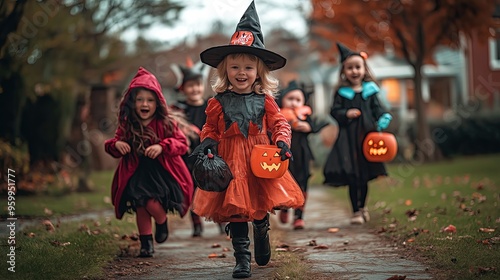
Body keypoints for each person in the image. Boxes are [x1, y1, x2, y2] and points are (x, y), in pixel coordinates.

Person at [192, 1, 304, 278]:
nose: (241, 73)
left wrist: (282, 142)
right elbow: (210, 128)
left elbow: (280, 123)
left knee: (258, 207)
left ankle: (262, 230)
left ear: (259, 72)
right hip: (231, 164)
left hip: (259, 160)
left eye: (248, 68)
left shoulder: (264, 100)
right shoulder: (217, 102)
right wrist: (207, 141)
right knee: (236, 211)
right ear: (225, 71)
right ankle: (242, 260)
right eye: (235, 67)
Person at [104, 67, 194, 257]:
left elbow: (181, 145)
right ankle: (146, 244)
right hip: (136, 173)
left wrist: (162, 146)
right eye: (140, 100)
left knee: (151, 203)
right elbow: (113, 144)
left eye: (150, 100)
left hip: (161, 173)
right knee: (140, 205)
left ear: (158, 103)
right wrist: (117, 144)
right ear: (132, 102)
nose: (145, 104)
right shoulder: (128, 124)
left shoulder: (165, 123)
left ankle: (161, 222)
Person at [323, 42, 392, 225]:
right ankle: (355, 211)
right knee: (353, 176)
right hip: (349, 140)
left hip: (367, 139)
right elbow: (334, 111)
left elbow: (378, 109)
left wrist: (383, 117)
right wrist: (346, 113)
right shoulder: (341, 93)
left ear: (364, 69)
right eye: (350, 68)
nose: (354, 71)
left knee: (365, 176)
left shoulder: (370, 91)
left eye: (358, 67)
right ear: (344, 71)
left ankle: (362, 207)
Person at [170, 58, 225, 237]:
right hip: (188, 157)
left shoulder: (211, 105)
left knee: (215, 188)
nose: (195, 89)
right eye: (190, 86)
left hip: (210, 153)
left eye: (198, 85)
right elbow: (171, 125)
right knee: (193, 190)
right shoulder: (179, 110)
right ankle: (196, 223)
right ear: (183, 88)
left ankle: (221, 221)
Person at [276, 80, 326, 230]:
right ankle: (284, 207)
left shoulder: (305, 115)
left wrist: (308, 127)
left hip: (303, 154)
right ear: (282, 100)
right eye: (290, 99)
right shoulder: (279, 116)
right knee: (285, 182)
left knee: (302, 183)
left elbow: (313, 126)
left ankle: (299, 216)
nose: (293, 103)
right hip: (285, 155)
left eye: (298, 100)